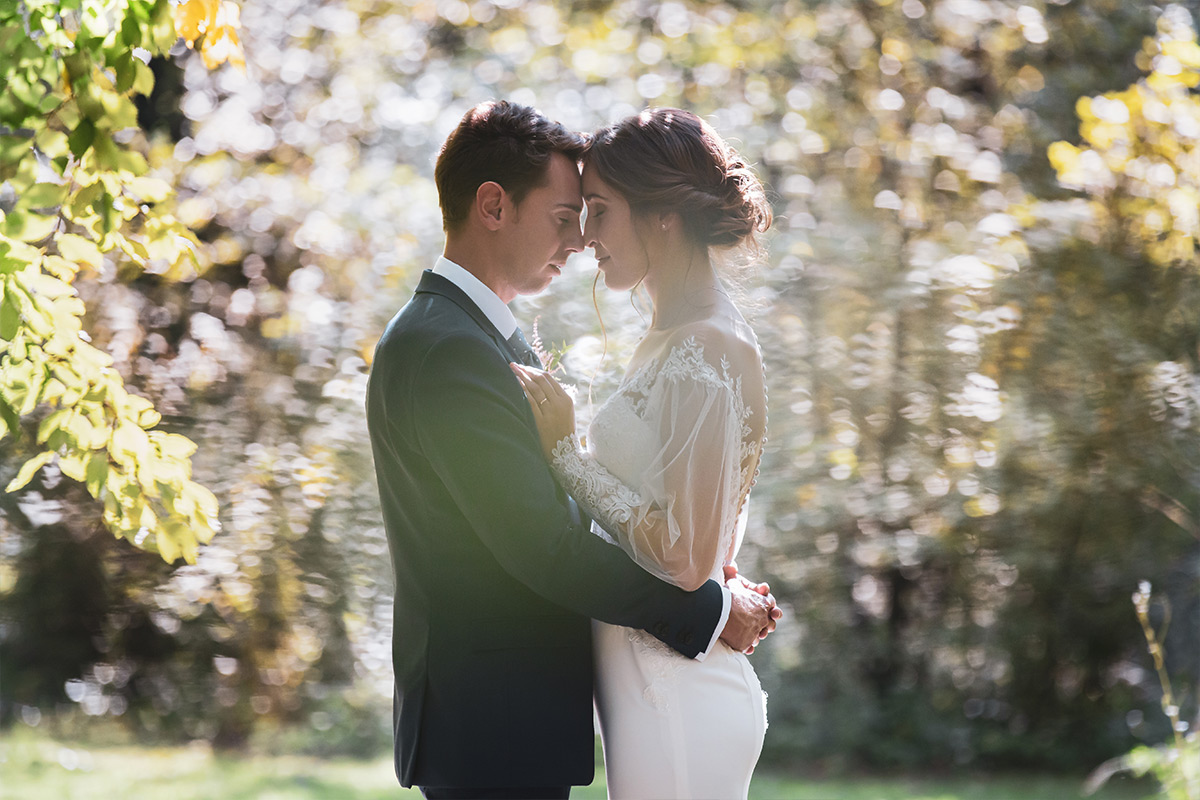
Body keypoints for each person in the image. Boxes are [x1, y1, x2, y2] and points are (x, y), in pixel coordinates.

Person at [365, 100, 779, 799]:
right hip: (491, 729)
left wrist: (702, 571)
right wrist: (707, 611)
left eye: (592, 214)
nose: (582, 239)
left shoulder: (483, 338)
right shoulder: (447, 350)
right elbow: (541, 545)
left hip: (525, 722)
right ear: (493, 206)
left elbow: (588, 514)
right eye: (565, 217)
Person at [509, 108, 774, 799]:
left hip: (679, 695)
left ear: (662, 215)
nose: (586, 236)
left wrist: (567, 455)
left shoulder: (705, 346)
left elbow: (685, 559)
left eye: (599, 210)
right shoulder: (674, 335)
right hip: (649, 685)